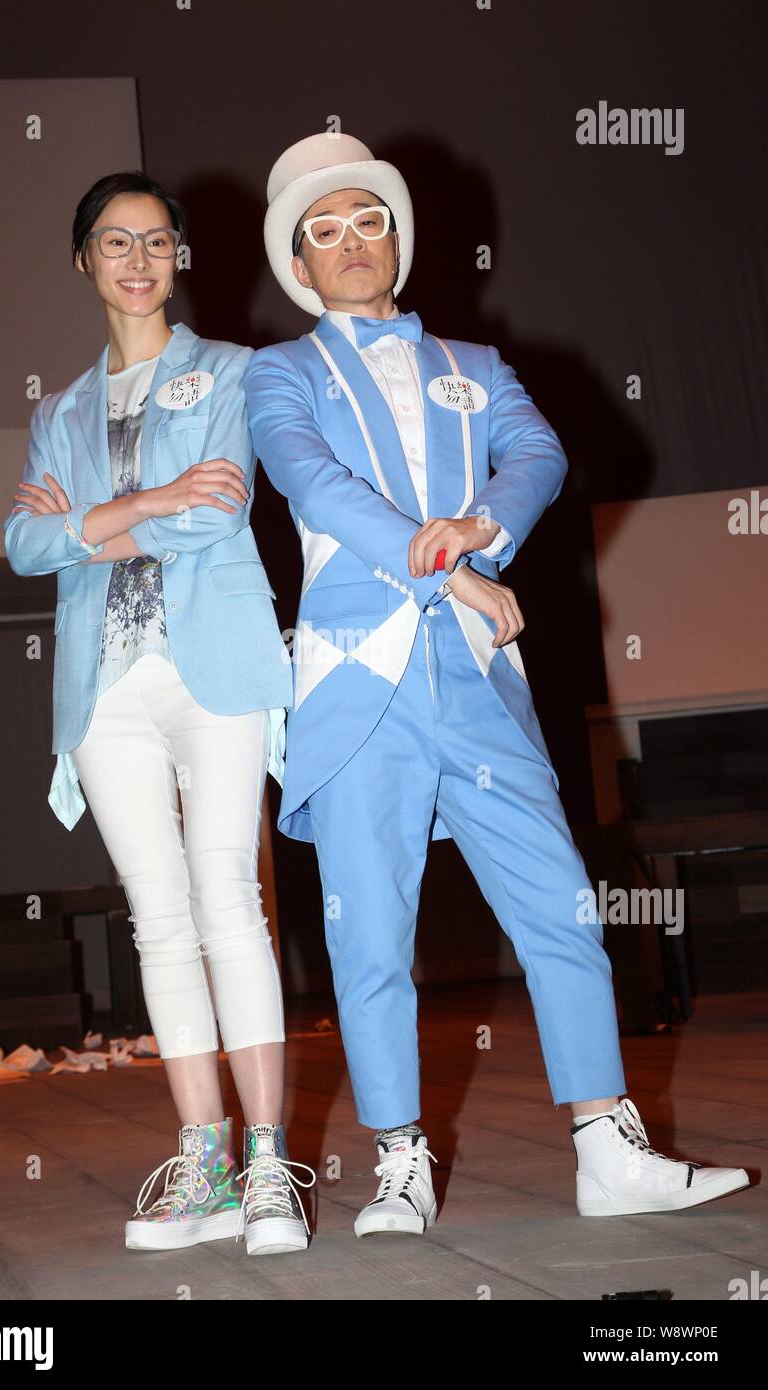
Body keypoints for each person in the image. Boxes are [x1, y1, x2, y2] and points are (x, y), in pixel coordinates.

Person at [242, 133, 750, 1234]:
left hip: (474, 679)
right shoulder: (277, 374)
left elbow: (538, 457)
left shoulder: (475, 366)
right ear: (299, 263)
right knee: (368, 934)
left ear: (396, 237)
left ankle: (605, 1145)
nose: (349, 244)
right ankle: (397, 1162)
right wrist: (444, 569)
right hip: (355, 680)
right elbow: (314, 486)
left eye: (364, 220)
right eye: (321, 232)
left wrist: (481, 529)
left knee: (561, 904)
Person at [3, 170, 315, 1256]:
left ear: (178, 257)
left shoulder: (233, 372)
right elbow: (23, 544)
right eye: (112, 242)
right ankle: (205, 1160)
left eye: (155, 241)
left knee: (227, 893)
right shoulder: (59, 410)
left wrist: (93, 521)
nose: (136, 260)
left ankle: (272, 1159)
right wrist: (143, 504)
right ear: (82, 261)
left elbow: (219, 505)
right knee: (157, 915)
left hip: (212, 665)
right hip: (104, 689)